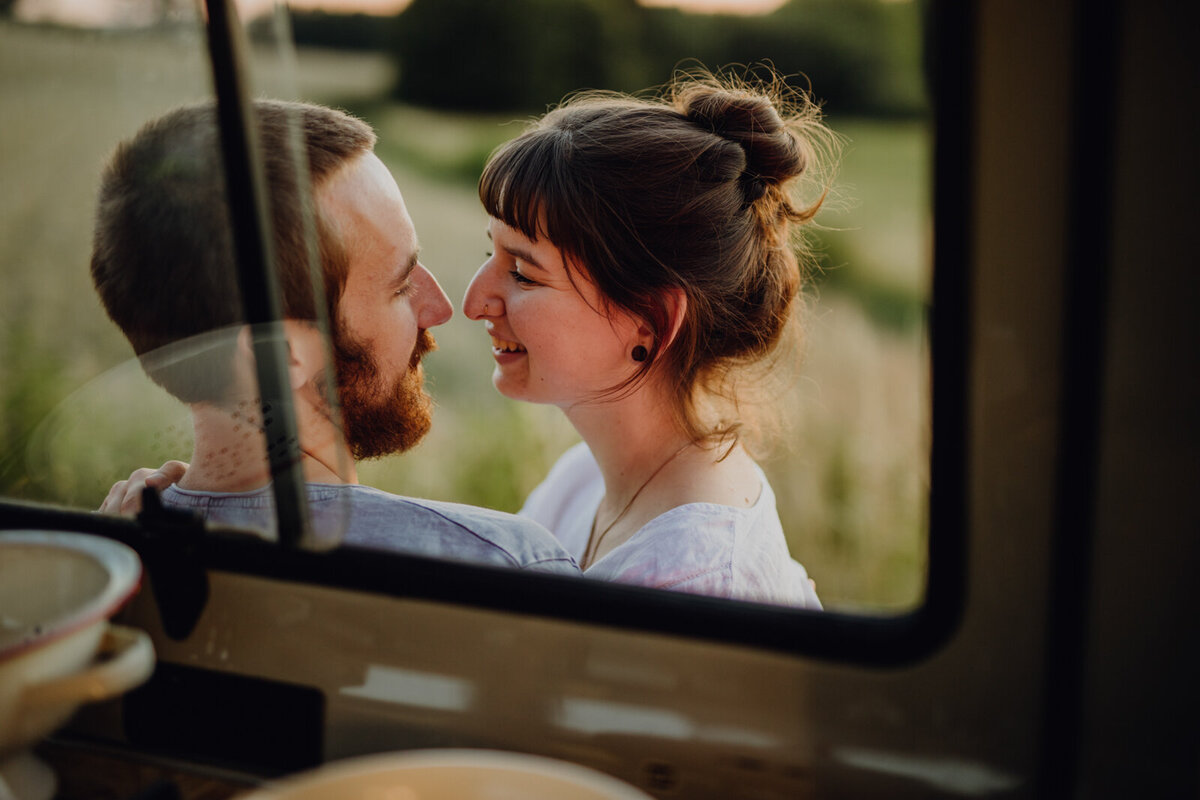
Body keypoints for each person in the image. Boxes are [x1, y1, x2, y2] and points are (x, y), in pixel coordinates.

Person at [91, 98, 578, 576]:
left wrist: (99, 561)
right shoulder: (505, 565)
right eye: (401, 284)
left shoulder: (108, 565)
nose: (442, 308)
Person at [461, 72, 831, 606]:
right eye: (489, 253)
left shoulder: (691, 583)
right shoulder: (584, 477)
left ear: (650, 320)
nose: (474, 303)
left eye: (523, 273)